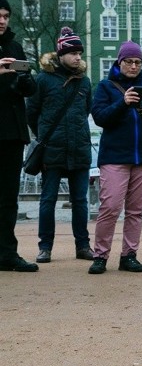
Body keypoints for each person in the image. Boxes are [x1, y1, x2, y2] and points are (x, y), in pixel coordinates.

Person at [88, 40, 142, 274]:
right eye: (129, 61)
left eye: (138, 62)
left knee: (135, 211)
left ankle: (129, 255)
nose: (134, 66)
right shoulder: (106, 87)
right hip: (115, 156)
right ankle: (100, 256)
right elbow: (100, 117)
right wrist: (123, 103)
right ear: (119, 61)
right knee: (110, 207)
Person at [26, 27, 94, 264]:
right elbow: (31, 113)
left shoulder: (84, 82)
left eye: (79, 53)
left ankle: (83, 246)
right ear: (61, 54)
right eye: (73, 52)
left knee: (80, 201)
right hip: (52, 148)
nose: (78, 57)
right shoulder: (43, 80)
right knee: (48, 200)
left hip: (79, 148)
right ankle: (45, 247)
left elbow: (86, 111)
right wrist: (45, 135)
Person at [0, 0, 38, 272]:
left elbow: (30, 90)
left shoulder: (14, 46)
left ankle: (7, 254)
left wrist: (25, 79)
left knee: (8, 197)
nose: (2, 21)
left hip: (12, 131)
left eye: (5, 16)